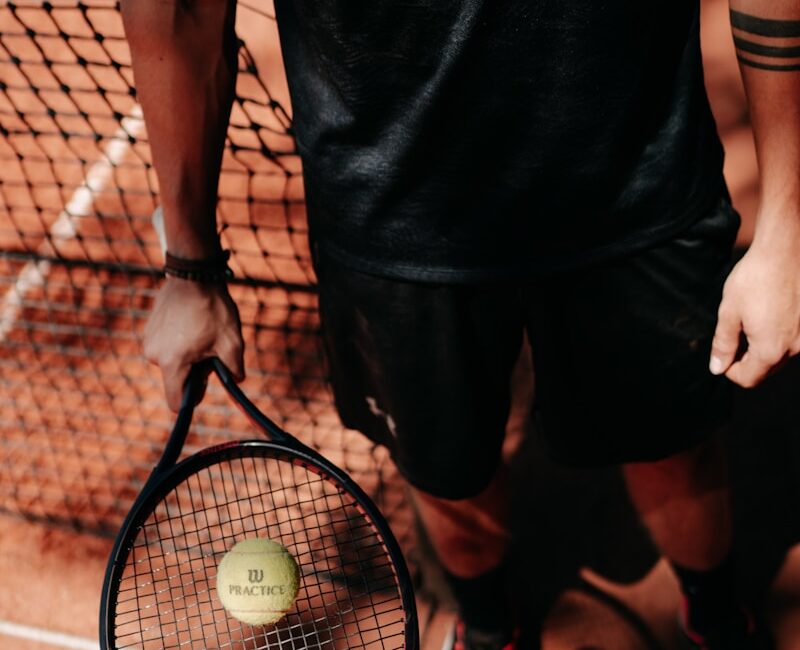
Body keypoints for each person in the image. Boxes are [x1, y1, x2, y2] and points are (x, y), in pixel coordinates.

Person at [122, 1, 800, 648]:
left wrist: (786, 226)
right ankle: (487, 629)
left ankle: (712, 609)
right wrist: (189, 266)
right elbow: (181, 7)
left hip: (638, 174)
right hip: (389, 217)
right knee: (445, 475)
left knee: (675, 448)